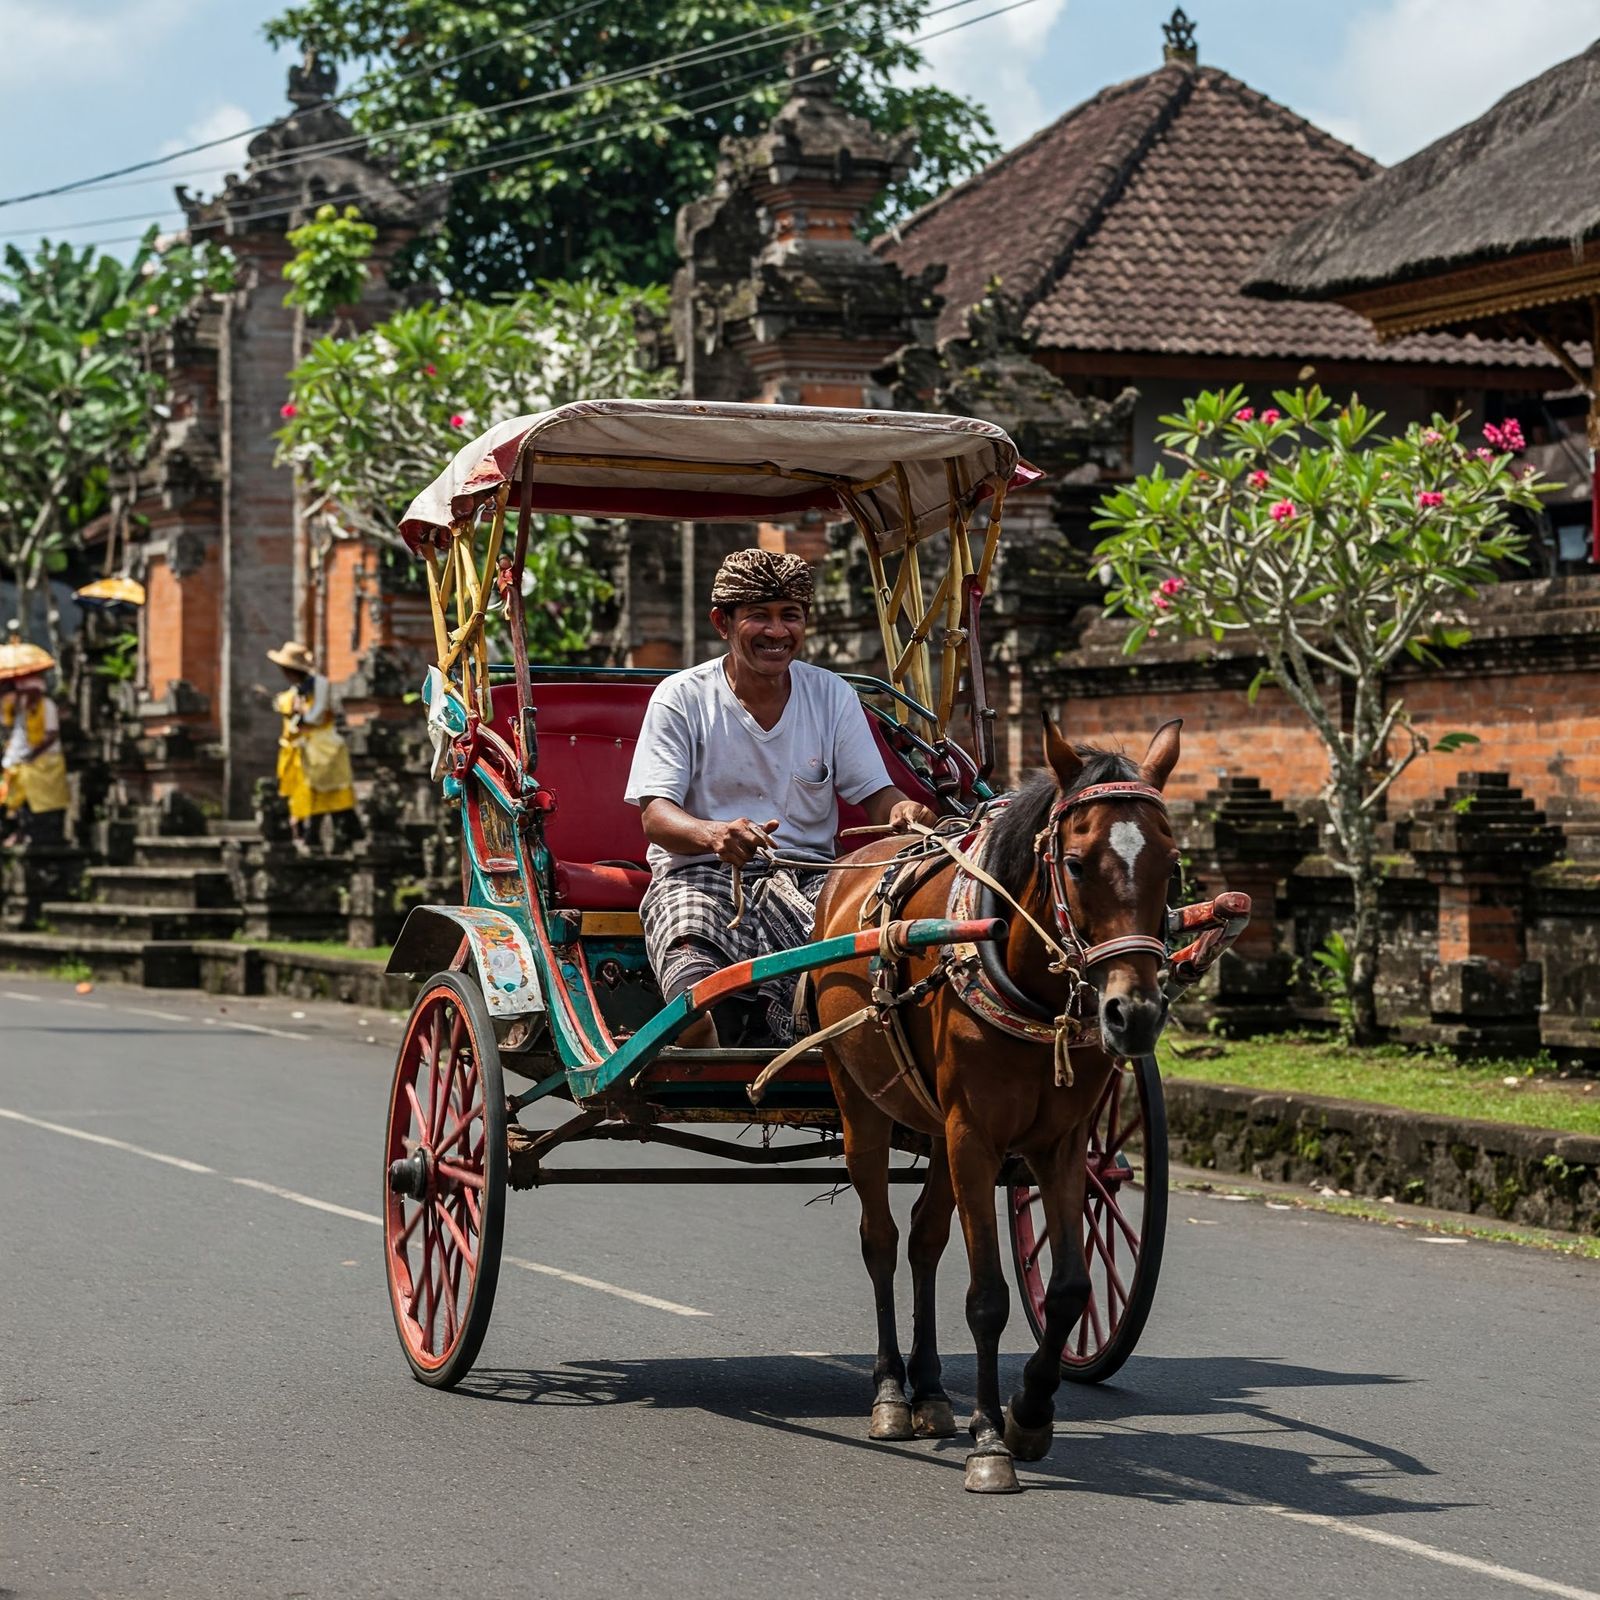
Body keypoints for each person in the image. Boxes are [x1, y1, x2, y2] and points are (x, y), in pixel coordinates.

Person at [625, 547, 937, 1047]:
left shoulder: (831, 694)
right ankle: (693, 1025)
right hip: (704, 870)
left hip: (812, 877)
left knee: (875, 936)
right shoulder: (681, 696)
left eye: (789, 616)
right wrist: (714, 834)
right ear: (722, 623)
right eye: (759, 617)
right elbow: (656, 817)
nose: (776, 631)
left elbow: (876, 795)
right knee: (687, 925)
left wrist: (901, 811)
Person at [264, 640, 358, 851]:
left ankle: (338, 836)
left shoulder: (320, 684)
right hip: (303, 751)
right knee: (306, 795)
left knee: (333, 796)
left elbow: (315, 717)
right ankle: (309, 835)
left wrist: (296, 717)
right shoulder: (294, 692)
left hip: (324, 749)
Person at [0, 670, 69, 848]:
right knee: (15, 799)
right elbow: (10, 728)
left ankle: (39, 834)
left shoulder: (47, 705)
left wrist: (33, 754)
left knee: (43, 803)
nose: (24, 694)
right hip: (19, 760)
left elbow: (52, 735)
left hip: (44, 761)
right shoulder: (19, 706)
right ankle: (20, 831)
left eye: (27, 691)